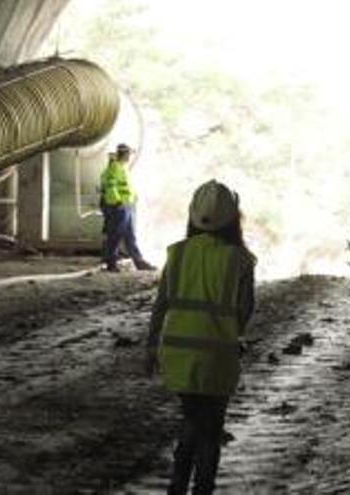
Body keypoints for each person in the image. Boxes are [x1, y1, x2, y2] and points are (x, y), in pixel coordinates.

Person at [146, 179, 256, 494]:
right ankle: (202, 487)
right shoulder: (240, 259)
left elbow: (161, 304)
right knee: (210, 427)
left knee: (193, 419)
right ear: (234, 218)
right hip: (219, 356)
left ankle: (178, 484)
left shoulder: (178, 254)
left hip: (178, 356)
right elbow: (244, 311)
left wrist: (151, 346)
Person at [99, 143, 155, 272]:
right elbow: (111, 186)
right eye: (128, 154)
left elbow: (126, 186)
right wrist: (117, 202)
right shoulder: (115, 167)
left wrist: (134, 197)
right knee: (115, 235)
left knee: (130, 235)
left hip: (127, 206)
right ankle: (111, 263)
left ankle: (139, 261)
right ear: (124, 154)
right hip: (119, 206)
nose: (129, 157)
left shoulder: (122, 167)